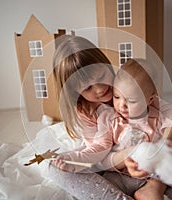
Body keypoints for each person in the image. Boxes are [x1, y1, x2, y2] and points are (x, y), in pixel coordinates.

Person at [93, 58, 172, 200]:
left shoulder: (158, 117)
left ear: (150, 99)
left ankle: (153, 189)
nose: (122, 105)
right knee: (102, 187)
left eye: (131, 101)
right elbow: (101, 158)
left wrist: (167, 145)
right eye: (117, 97)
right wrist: (123, 159)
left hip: (153, 177)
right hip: (119, 176)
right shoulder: (108, 119)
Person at [49, 35, 134, 199]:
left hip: (137, 147)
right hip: (106, 156)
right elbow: (97, 150)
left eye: (101, 77)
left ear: (106, 65)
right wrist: (120, 158)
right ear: (76, 92)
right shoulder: (86, 109)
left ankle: (153, 186)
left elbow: (154, 114)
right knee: (54, 167)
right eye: (88, 88)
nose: (100, 89)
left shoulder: (126, 84)